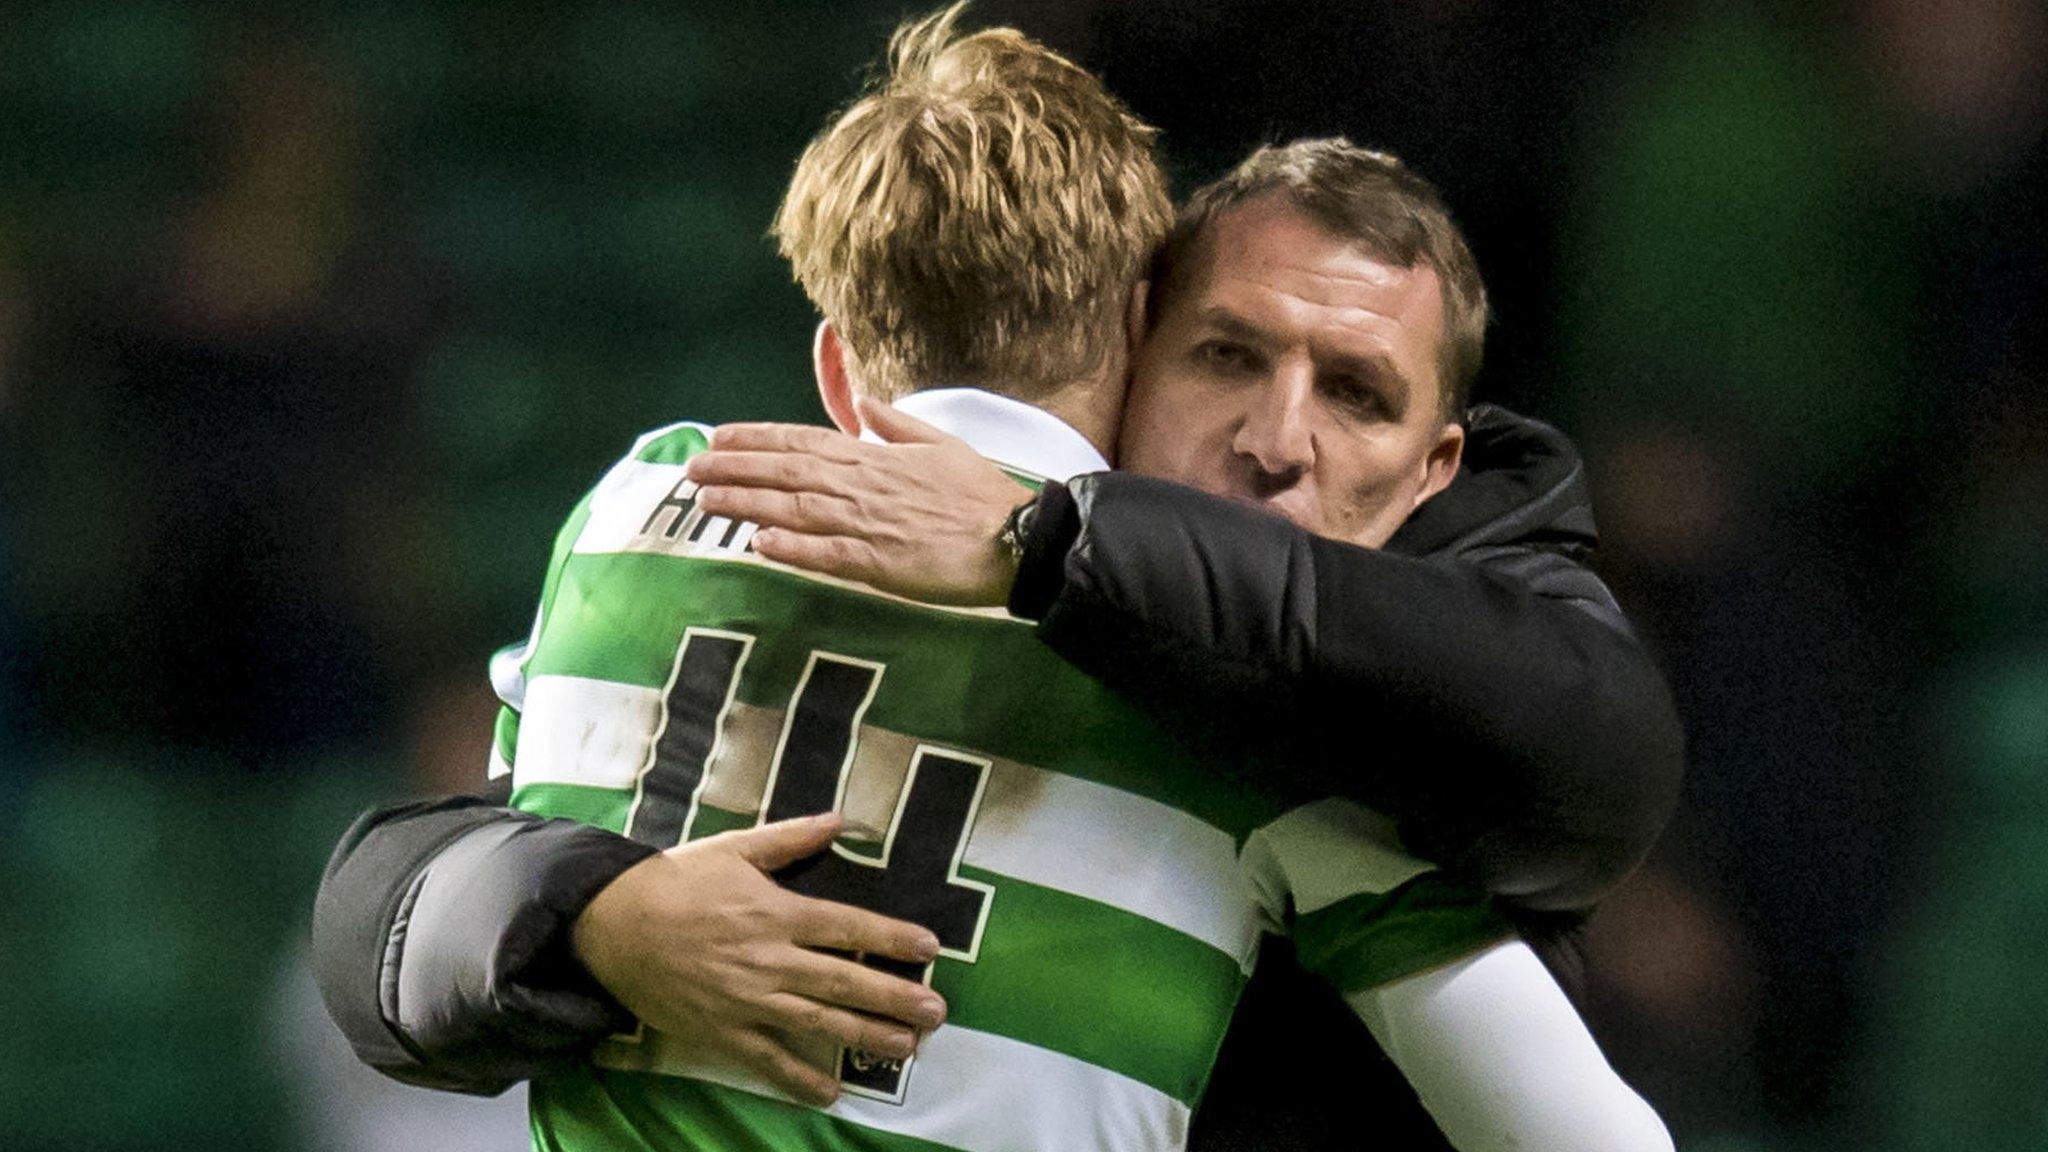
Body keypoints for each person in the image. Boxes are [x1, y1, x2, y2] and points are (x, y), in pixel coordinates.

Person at [314, 9, 1683, 1150]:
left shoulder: (631, 506)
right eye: (1225, 358)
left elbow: (1596, 746)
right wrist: (590, 921)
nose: (1278, 440)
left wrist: (1049, 544)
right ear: (1135, 340)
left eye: (1355, 392)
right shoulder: (1229, 744)